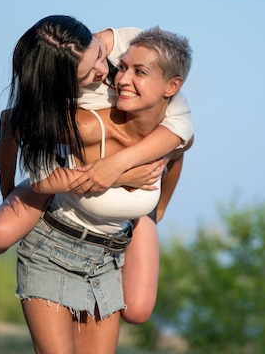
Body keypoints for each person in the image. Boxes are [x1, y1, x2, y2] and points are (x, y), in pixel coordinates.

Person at [0, 16, 192, 324]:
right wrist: (7, 189)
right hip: (69, 175)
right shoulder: (64, 107)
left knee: (137, 310)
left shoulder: (130, 48)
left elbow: (178, 146)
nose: (106, 71)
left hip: (130, 192)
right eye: (88, 74)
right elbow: (21, 141)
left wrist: (157, 207)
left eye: (99, 56)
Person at [16, 26, 192, 353]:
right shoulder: (86, 123)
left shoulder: (172, 133)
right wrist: (115, 175)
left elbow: (181, 150)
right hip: (54, 248)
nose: (119, 78)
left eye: (139, 72)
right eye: (123, 67)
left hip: (106, 259)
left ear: (172, 87)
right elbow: (37, 167)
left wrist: (158, 207)